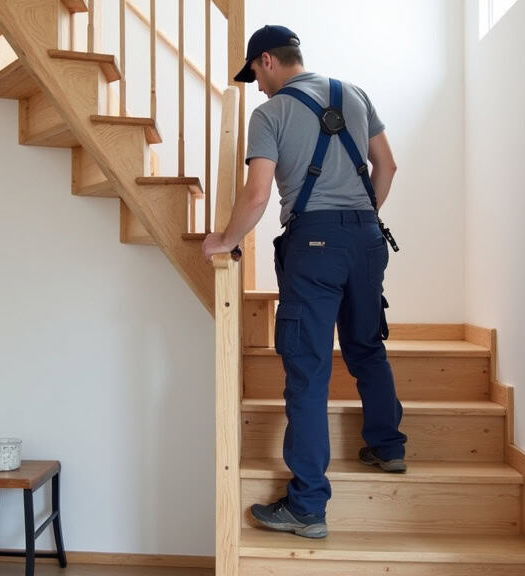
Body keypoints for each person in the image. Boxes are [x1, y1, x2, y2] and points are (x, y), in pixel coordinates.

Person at [201, 24, 407, 539]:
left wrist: (224, 240)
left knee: (308, 371)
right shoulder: (354, 93)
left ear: (267, 60)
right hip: (366, 238)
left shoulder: (269, 114)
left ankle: (308, 506)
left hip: (313, 246)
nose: (256, 87)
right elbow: (387, 165)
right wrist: (358, 218)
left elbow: (256, 195)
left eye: (254, 75)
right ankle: (387, 447)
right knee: (366, 346)